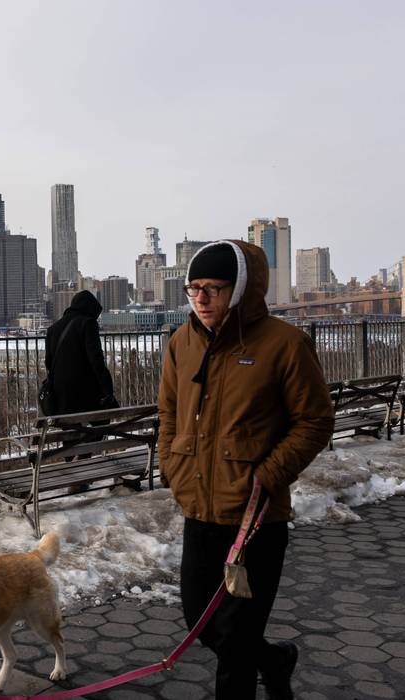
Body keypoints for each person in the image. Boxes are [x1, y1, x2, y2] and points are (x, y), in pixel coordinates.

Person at [157, 240, 333, 699]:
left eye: (213, 288)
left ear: (239, 290)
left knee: (235, 647)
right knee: (200, 622)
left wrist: (267, 476)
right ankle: (274, 659)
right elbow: (169, 414)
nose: (201, 299)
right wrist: (173, 466)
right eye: (193, 289)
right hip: (199, 508)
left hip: (256, 519)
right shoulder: (182, 342)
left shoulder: (285, 344)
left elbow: (315, 421)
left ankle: (259, 665)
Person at [44, 289, 118, 415]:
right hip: (84, 395)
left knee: (75, 429)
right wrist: (108, 391)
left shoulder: (53, 329)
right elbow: (96, 360)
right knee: (101, 421)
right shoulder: (88, 323)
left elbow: (48, 363)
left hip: (60, 398)